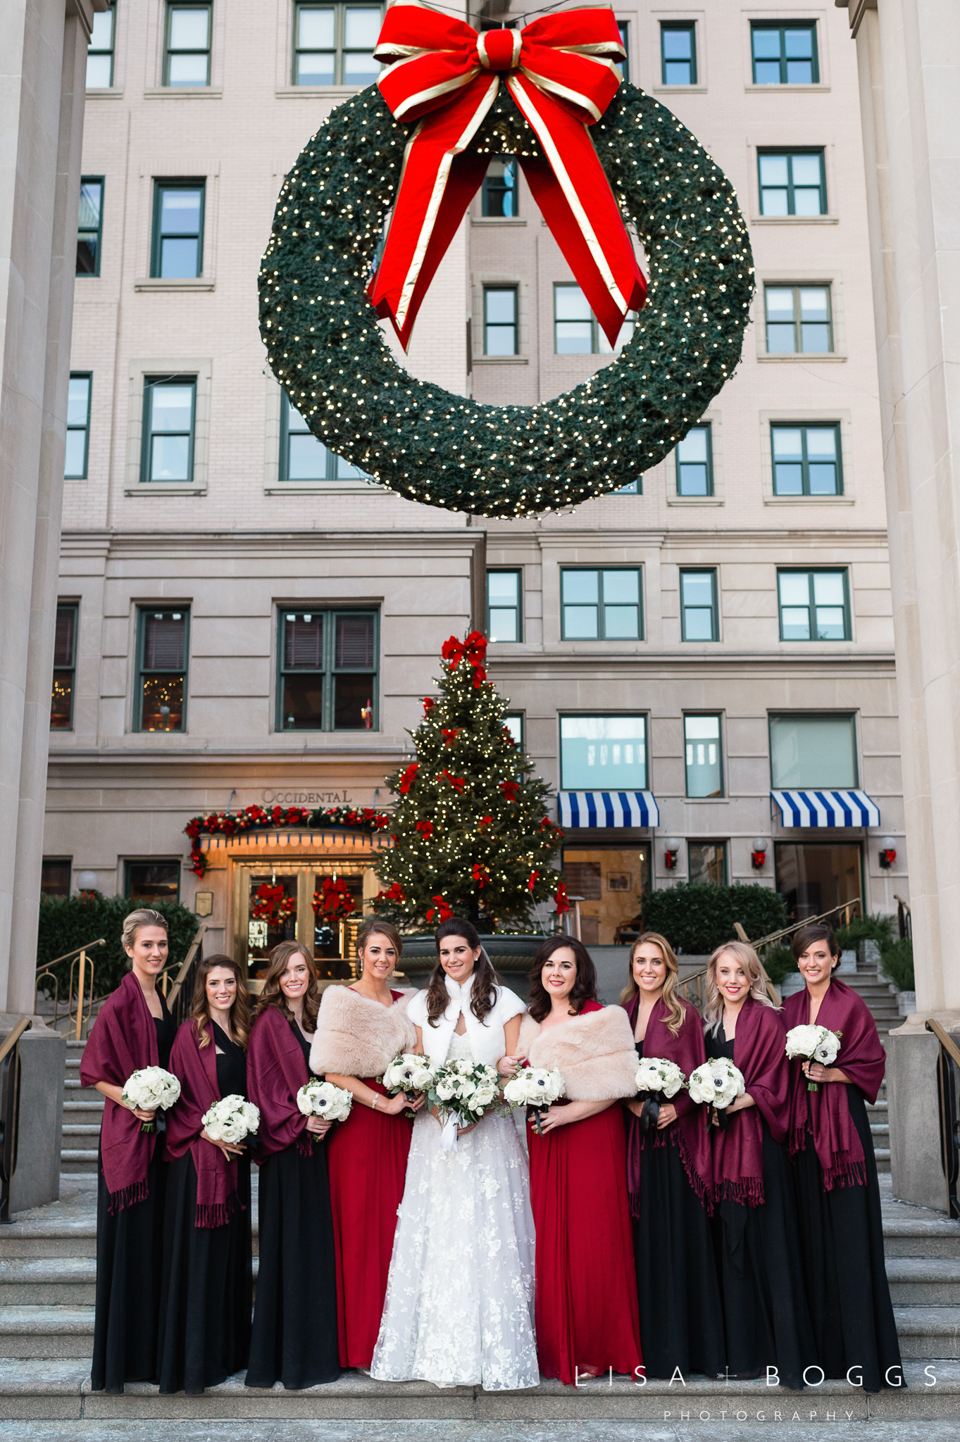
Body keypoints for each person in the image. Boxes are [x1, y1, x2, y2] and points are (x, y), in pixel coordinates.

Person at [370, 917, 537, 1391]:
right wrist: (438, 1107)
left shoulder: (504, 1002)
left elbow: (513, 1067)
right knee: (439, 1230)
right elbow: (419, 1066)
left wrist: (482, 1106)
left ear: (478, 952)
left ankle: (498, 1347)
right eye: (445, 952)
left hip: (490, 1132)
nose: (452, 959)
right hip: (436, 1133)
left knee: (489, 1231)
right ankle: (435, 1344)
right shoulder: (422, 1004)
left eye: (460, 950)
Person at [783, 923, 904, 1393]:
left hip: (843, 1134)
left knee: (850, 1238)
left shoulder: (850, 1005)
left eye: (820, 955)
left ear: (835, 958)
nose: (812, 963)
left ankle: (865, 1356)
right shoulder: (790, 1008)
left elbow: (872, 1063)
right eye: (804, 956)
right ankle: (823, 1355)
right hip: (801, 1134)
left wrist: (834, 1075)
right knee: (812, 1237)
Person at [518, 935, 642, 1386]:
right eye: (549, 964)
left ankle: (600, 1348)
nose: (556, 972)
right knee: (553, 1238)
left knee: (595, 1239)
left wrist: (570, 1111)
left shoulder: (601, 1019)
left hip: (591, 1135)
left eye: (566, 966)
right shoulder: (530, 1024)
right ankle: (559, 1347)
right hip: (547, 1142)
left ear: (579, 973)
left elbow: (619, 1082)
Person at [310, 919, 423, 1370]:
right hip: (361, 1125)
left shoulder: (409, 1003)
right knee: (358, 1231)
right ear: (360, 953)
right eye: (375, 951)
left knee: (400, 1229)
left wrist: (413, 1091)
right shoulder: (341, 999)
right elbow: (331, 1069)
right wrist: (383, 1102)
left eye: (390, 952)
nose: (383, 960)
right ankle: (357, 1343)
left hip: (402, 1127)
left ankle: (398, 1340)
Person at [702, 942, 815, 1390]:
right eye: (724, 972)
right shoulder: (709, 1028)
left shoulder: (771, 1021)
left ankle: (783, 1355)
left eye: (741, 973)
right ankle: (742, 1353)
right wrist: (711, 1103)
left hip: (760, 1146)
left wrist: (738, 1101)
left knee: (770, 1245)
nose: (732, 980)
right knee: (732, 1242)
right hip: (722, 1147)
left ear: (753, 978)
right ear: (713, 977)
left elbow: (779, 1080)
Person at [80, 908, 177, 1394]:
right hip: (127, 1141)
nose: (156, 952)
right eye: (147, 945)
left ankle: (150, 1353)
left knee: (152, 1248)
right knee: (128, 1249)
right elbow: (94, 1072)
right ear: (129, 948)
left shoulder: (162, 997)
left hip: (159, 1142)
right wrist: (134, 1100)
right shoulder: (119, 1002)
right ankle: (121, 1360)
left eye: (161, 944)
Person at [620, 932, 723, 1379]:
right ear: (632, 967)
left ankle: (688, 1349)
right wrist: (634, 1105)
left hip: (675, 1147)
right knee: (640, 1244)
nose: (648, 969)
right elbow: (609, 1075)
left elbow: (701, 1082)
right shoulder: (617, 1017)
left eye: (656, 962)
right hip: (632, 1140)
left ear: (669, 968)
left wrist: (674, 1110)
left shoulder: (685, 1016)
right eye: (641, 961)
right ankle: (646, 1349)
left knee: (679, 1240)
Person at [157, 953, 254, 1394]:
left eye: (229, 982)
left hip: (235, 1163)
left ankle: (226, 1354)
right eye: (214, 983)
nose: (222, 990)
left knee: (229, 1261)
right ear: (204, 987)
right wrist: (209, 1131)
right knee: (199, 1262)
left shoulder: (244, 1032)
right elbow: (177, 1099)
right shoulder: (189, 1033)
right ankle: (195, 1361)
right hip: (197, 1166)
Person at [245, 941, 339, 1390]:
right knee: (286, 1251)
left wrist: (331, 1112)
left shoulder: (319, 1018)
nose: (295, 978)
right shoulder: (268, 1022)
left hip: (320, 1150)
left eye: (301, 969)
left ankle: (317, 1355)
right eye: (286, 972)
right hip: (286, 1152)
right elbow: (262, 1092)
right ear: (276, 978)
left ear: (310, 971)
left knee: (316, 1249)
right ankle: (283, 1361)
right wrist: (303, 1120)